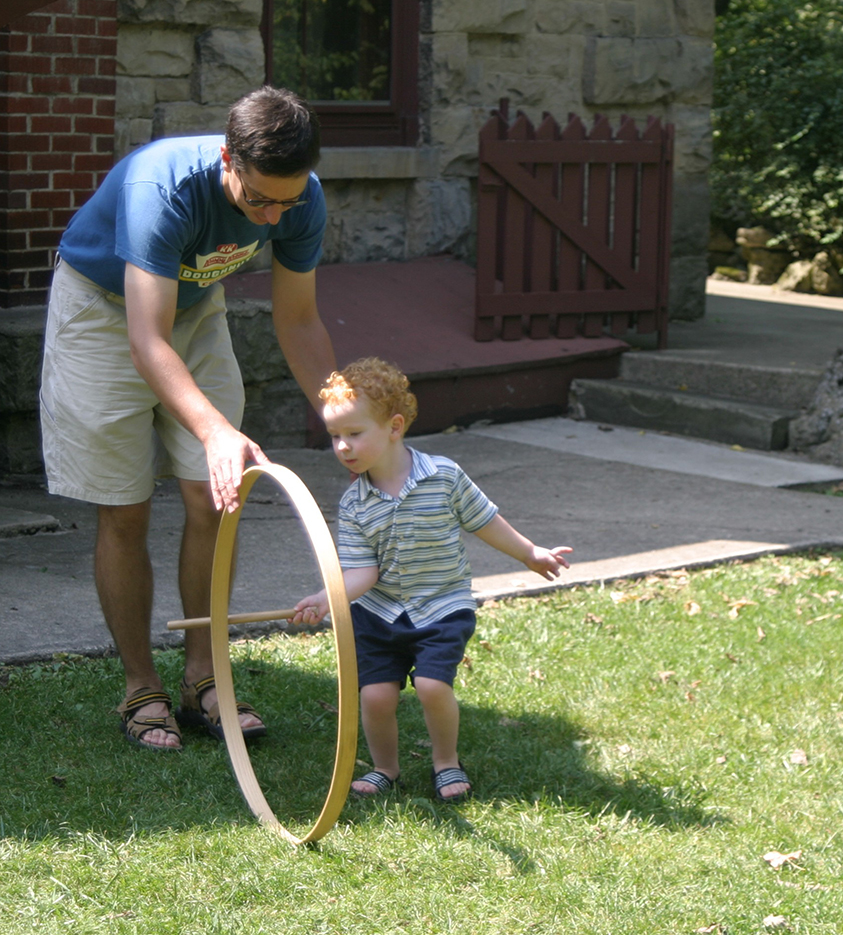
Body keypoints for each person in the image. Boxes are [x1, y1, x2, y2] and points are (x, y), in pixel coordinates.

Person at [39, 86, 338, 751]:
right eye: (258, 199)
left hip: (197, 307)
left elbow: (298, 319)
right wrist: (214, 429)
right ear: (228, 159)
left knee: (215, 498)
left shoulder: (298, 199)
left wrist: (343, 416)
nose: (269, 219)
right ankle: (141, 687)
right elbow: (148, 339)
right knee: (125, 506)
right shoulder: (163, 187)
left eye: (285, 202)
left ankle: (206, 677)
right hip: (103, 308)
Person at [290, 358, 572, 802]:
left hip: (442, 605)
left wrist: (530, 553)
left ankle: (446, 762)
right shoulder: (354, 504)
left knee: (431, 684)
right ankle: (386, 767)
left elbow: (485, 521)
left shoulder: (443, 476)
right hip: (380, 612)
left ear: (394, 426)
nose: (343, 446)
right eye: (335, 436)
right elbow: (365, 571)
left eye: (354, 433)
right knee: (377, 696)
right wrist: (328, 597)